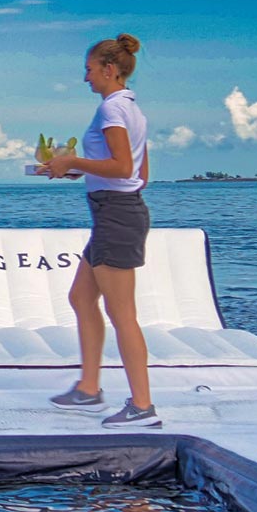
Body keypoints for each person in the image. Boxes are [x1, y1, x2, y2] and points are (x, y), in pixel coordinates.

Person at [45, 33, 158, 428]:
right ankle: (89, 389)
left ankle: (142, 407)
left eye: (90, 70)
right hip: (115, 212)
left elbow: (123, 168)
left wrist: (73, 161)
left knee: (122, 314)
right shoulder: (132, 110)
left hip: (117, 216)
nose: (85, 78)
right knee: (81, 297)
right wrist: (80, 171)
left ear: (109, 70)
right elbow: (140, 173)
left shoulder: (112, 110)